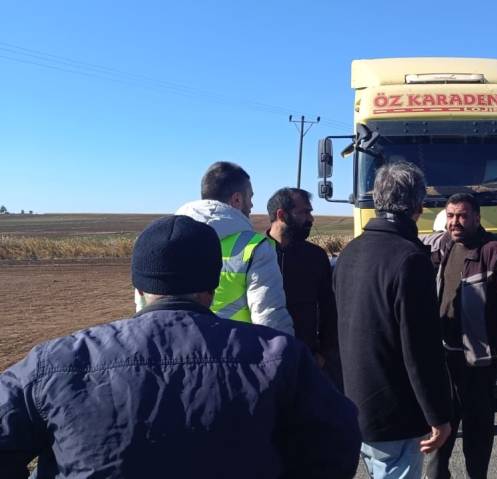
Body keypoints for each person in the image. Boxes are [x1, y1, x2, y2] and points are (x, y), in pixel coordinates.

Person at [0, 216, 360, 479]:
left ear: (138, 287)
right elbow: (337, 444)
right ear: (214, 284)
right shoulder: (278, 357)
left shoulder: (56, 363)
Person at [334, 162, 454, 478]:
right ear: (418, 206)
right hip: (395, 412)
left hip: (355, 403)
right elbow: (420, 348)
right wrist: (438, 415)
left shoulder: (350, 252)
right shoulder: (410, 259)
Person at [424, 193, 497, 479]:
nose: (455, 222)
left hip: (479, 363)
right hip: (445, 358)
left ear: (477, 217)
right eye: (450, 216)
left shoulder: (496, 252)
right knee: (441, 432)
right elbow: (412, 243)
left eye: (462, 216)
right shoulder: (444, 245)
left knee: (477, 435)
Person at [152, 161, 294, 334]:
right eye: (250, 197)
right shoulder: (255, 247)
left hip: (174, 351)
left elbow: (147, 313)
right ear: (236, 199)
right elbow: (270, 319)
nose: (251, 205)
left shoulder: (161, 243)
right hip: (238, 354)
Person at [266, 187, 341, 387]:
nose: (311, 219)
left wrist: (324, 353)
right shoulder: (257, 253)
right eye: (304, 212)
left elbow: (329, 308)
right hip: (264, 360)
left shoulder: (315, 256)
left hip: (309, 360)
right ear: (281, 215)